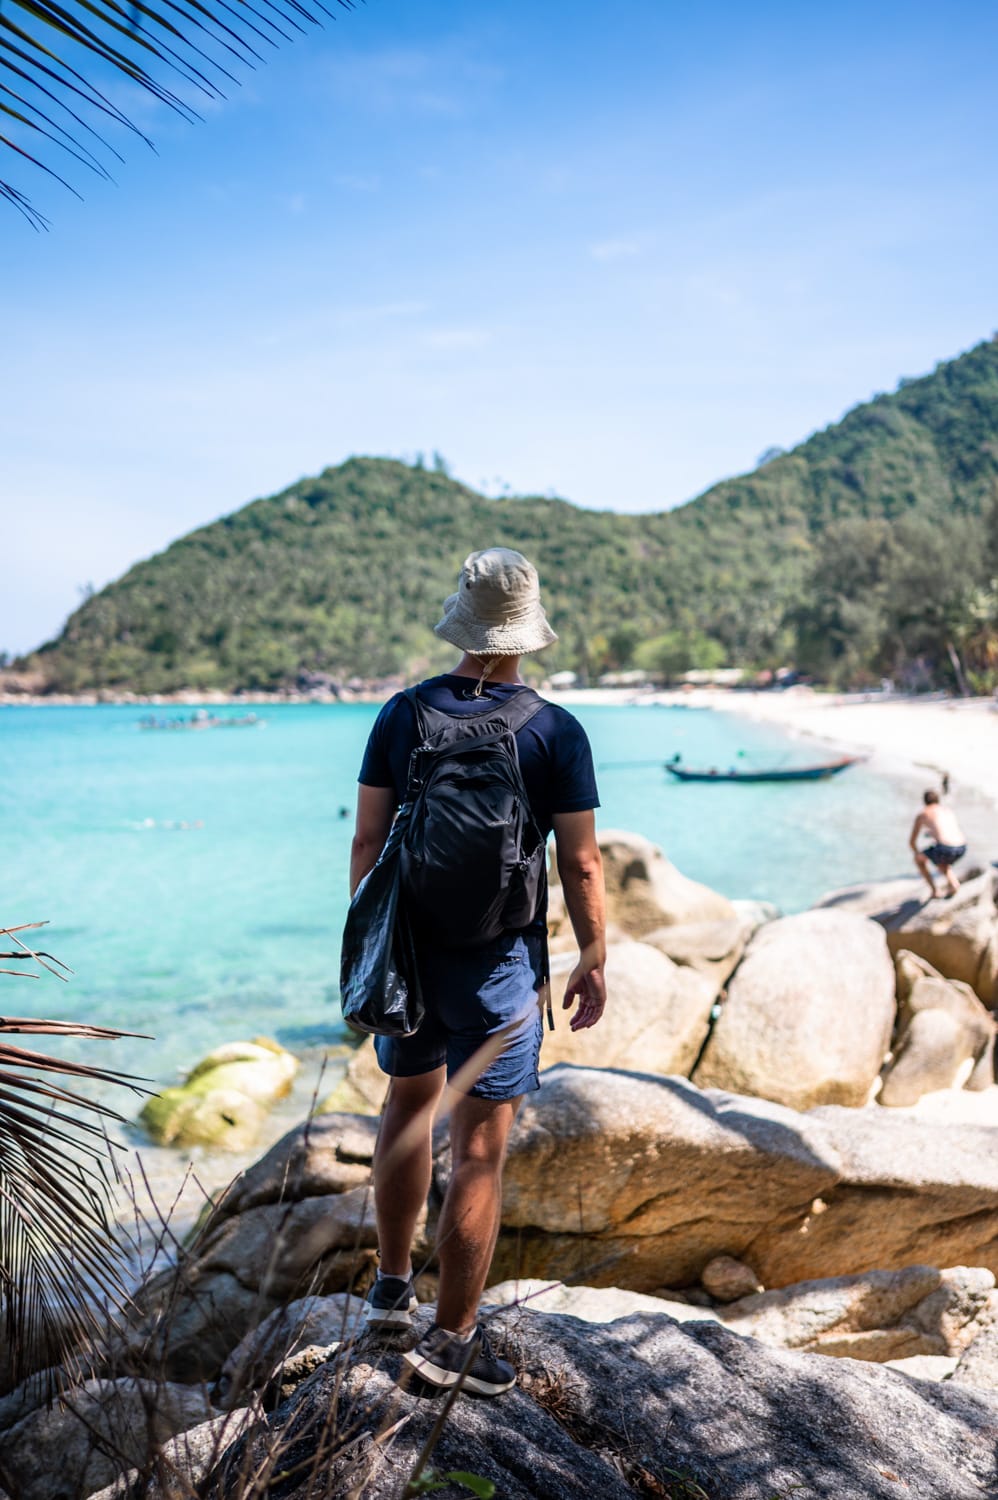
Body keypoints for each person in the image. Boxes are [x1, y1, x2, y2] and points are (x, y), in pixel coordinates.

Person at [349, 547, 606, 1398]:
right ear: (528, 631)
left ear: (462, 620)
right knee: (482, 1153)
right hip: (499, 963)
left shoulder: (401, 714)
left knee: (409, 1103)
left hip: (410, 953)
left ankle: (390, 1290)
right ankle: (450, 1340)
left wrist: (371, 939)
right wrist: (593, 952)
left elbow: (367, 843)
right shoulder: (554, 729)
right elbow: (582, 863)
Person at [910, 788, 967, 899]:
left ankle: (935, 890)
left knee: (919, 859)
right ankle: (954, 884)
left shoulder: (923, 814)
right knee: (942, 860)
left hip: (945, 848)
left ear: (925, 802)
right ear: (938, 800)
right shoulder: (947, 810)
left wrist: (917, 853)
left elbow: (912, 841)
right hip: (962, 846)